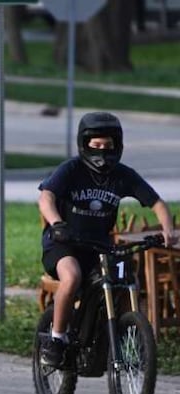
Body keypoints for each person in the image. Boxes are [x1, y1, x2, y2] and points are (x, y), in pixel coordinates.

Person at [38, 111, 176, 367]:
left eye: (108, 146)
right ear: (84, 144)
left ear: (118, 146)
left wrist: (168, 229)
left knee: (124, 279)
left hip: (100, 246)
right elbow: (46, 197)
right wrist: (57, 223)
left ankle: (111, 334)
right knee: (73, 276)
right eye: (96, 145)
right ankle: (56, 340)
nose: (102, 152)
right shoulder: (71, 169)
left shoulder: (123, 175)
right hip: (63, 243)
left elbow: (156, 203)